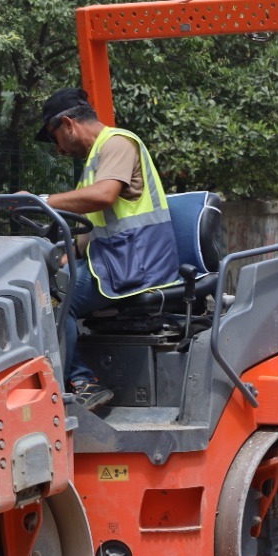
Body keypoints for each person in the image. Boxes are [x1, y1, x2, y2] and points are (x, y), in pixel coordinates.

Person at [29, 87, 179, 412]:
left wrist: (42, 201)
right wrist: (63, 259)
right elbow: (91, 228)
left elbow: (105, 196)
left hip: (138, 263)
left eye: (56, 137)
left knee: (53, 300)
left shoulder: (118, 143)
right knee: (43, 285)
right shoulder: (95, 162)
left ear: (68, 124)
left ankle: (82, 383)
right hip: (115, 261)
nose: (58, 148)